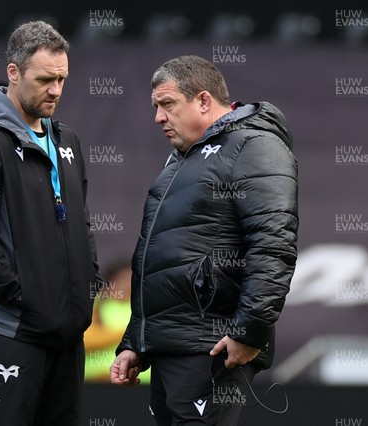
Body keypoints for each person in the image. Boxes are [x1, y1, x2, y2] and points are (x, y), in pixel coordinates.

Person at [110, 55, 299, 425]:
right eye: (156, 107)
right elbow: (160, 260)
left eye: (168, 104)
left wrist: (249, 331)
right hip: (173, 346)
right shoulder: (179, 160)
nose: (158, 117)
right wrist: (137, 342)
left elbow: (274, 245)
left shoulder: (254, 146)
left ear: (203, 100)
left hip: (213, 347)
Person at [0, 21, 103, 426]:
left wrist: (83, 289)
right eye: (44, 79)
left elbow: (82, 225)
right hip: (9, 335)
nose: (55, 90)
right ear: (14, 73)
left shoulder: (67, 140)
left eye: (62, 79)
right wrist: (29, 298)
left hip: (66, 337)